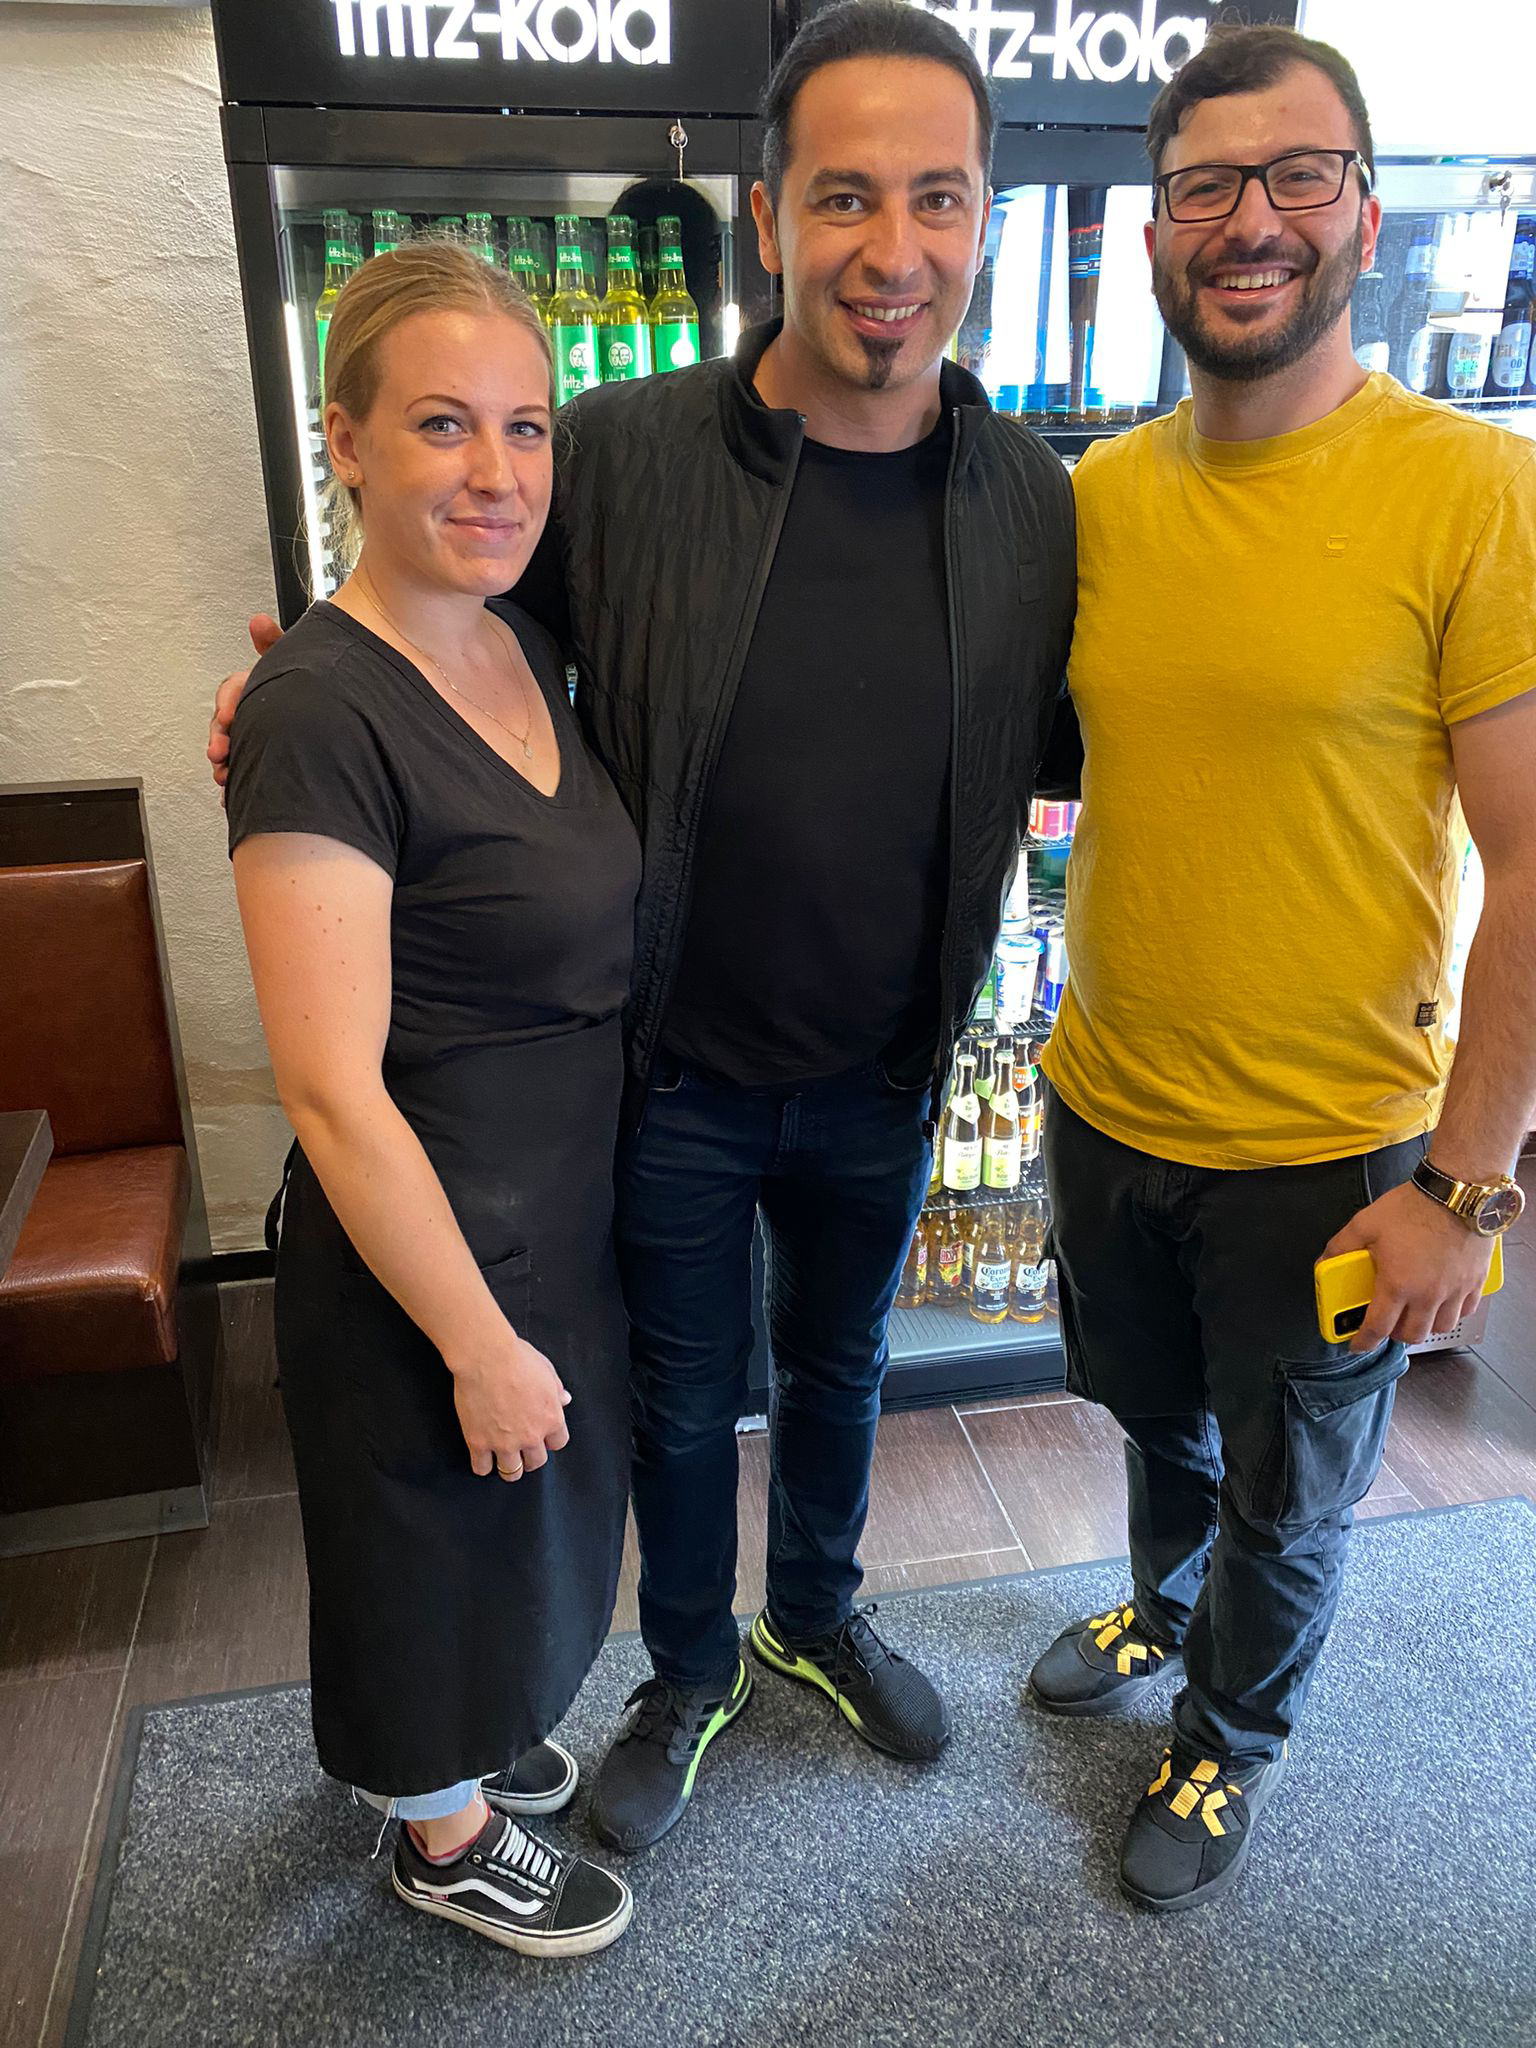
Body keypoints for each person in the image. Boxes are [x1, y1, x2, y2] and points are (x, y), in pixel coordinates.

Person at [212, 0, 1077, 1859]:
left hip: (889, 1067)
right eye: (845, 195)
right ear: (768, 217)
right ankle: (685, 1670)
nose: (894, 246)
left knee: (842, 1371)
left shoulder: (1026, 496)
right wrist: (290, 685)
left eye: (937, 196)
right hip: (670, 1069)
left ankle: (817, 1616)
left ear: (983, 219)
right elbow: (449, 623)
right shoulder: (616, 452)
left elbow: (1072, 736)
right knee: (685, 1400)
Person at [1027, 24, 1536, 1913]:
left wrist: (1466, 1188)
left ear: (1366, 215)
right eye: (1205, 187)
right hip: (1105, 1107)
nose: (1250, 220)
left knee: (1292, 1488)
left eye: (1296, 175)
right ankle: (1169, 1616)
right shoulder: (1098, 498)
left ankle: (1230, 1742)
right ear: (1154, 232)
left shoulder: (1471, 492)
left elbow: (1533, 859)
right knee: (1151, 1419)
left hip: (1331, 1154)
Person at [224, 239, 641, 1954]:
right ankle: (439, 1833)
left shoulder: (516, 641)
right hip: (421, 1241)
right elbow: (331, 1092)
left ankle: (464, 1737)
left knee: (501, 1538)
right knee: (422, 1541)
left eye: (526, 429)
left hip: (547, 1202)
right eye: (443, 424)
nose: (497, 472)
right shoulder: (318, 711)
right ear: (345, 441)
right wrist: (474, 1338)